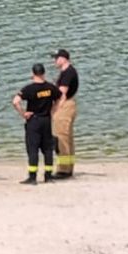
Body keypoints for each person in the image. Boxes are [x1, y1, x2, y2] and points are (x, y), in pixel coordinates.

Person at [12, 63, 61, 185]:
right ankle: (48, 176)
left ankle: (33, 177)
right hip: (46, 120)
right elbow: (60, 98)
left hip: (34, 120)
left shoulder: (29, 89)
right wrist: (53, 110)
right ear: (44, 73)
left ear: (33, 74)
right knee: (47, 148)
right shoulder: (50, 87)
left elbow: (15, 101)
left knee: (33, 149)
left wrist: (23, 113)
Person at [51, 49, 79, 179]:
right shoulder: (67, 72)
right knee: (67, 138)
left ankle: (64, 170)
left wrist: (55, 109)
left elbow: (61, 94)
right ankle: (68, 167)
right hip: (69, 104)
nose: (54, 61)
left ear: (63, 58)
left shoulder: (67, 73)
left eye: (56, 58)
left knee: (61, 137)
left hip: (65, 106)